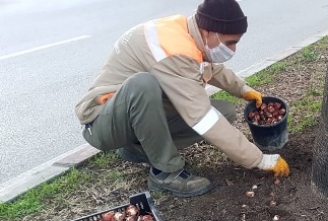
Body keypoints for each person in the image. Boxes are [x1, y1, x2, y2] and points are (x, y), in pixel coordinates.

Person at [74, 0, 290, 198]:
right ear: (209, 32)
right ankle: (166, 173)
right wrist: (258, 159)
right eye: (230, 42)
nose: (233, 49)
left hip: (129, 116)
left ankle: (136, 148)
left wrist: (243, 89)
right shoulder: (173, 49)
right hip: (101, 121)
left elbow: (208, 67)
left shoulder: (188, 32)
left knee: (225, 112)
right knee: (144, 85)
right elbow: (201, 117)